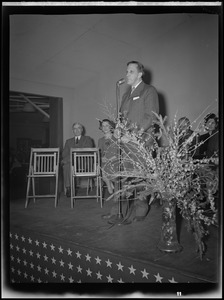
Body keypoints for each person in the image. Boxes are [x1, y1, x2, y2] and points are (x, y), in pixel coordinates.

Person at [102, 60, 159, 222]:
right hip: (124, 140)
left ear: (140, 74)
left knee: (139, 176)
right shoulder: (126, 94)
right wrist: (118, 129)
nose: (127, 74)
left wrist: (133, 135)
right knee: (120, 173)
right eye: (126, 71)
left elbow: (151, 116)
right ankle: (117, 210)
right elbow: (121, 118)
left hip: (140, 141)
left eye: (131, 71)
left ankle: (140, 211)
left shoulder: (148, 90)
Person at [62, 122, 94, 197]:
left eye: (78, 128)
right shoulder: (68, 141)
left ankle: (70, 187)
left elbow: (88, 151)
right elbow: (64, 154)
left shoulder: (87, 139)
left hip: (84, 163)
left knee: (67, 162)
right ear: (72, 130)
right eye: (74, 128)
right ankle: (69, 188)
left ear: (82, 130)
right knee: (67, 165)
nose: (77, 130)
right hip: (71, 164)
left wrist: (73, 155)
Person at [98, 119, 118, 195]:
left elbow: (117, 153)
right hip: (104, 161)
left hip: (115, 160)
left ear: (111, 127)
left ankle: (110, 184)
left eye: (107, 126)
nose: (105, 128)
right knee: (101, 167)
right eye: (103, 126)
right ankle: (109, 184)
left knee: (105, 168)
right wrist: (101, 158)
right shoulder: (100, 140)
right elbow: (99, 153)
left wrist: (110, 159)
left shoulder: (115, 138)